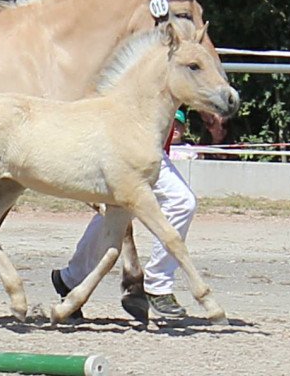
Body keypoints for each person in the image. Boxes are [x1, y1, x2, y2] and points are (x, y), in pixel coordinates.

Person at [52, 115, 197, 321]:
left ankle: (70, 278)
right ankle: (158, 286)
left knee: (117, 213)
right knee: (180, 202)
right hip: (127, 141)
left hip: (147, 147)